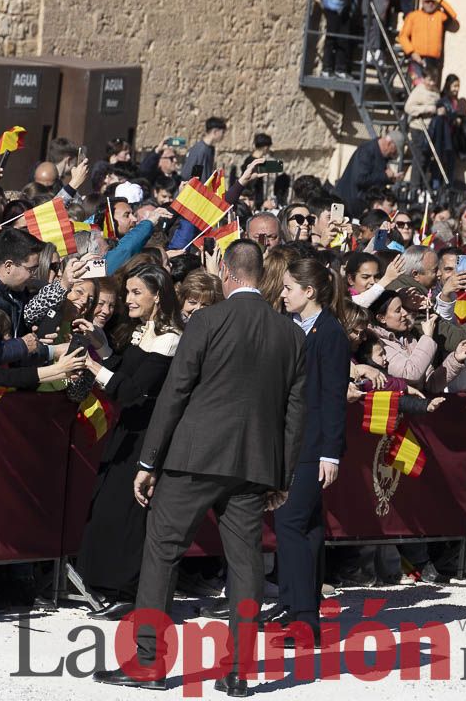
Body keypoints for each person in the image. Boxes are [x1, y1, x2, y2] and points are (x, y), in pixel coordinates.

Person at [94, 240, 306, 695]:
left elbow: (176, 392)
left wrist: (149, 459)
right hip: (254, 465)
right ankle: (240, 671)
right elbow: (295, 411)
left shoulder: (207, 319)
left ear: (228, 274)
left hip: (193, 457)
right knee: (246, 563)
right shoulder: (290, 333)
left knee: (162, 551)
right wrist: (283, 476)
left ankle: (148, 663)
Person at [76, 265, 182, 620]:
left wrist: (93, 368)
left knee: (129, 513)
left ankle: (129, 590)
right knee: (108, 505)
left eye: (137, 293)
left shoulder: (170, 339)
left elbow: (136, 392)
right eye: (128, 292)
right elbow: (128, 369)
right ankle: (107, 585)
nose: (128, 300)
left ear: (157, 297)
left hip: (146, 437)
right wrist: (103, 346)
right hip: (127, 432)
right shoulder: (143, 330)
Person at [267, 258, 347, 647]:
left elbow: (332, 397)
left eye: (287, 288)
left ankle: (303, 619)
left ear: (309, 291)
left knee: (290, 524)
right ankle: (300, 610)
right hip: (293, 441)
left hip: (313, 446)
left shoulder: (329, 332)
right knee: (310, 528)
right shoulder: (296, 327)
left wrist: (330, 453)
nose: (282, 294)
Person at [334, 131, 401, 218]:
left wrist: (390, 179)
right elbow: (360, 179)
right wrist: (385, 176)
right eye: (393, 152)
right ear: (388, 144)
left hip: (359, 206)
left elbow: (375, 179)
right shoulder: (367, 151)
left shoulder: (381, 155)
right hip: (347, 204)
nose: (393, 156)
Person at [397, 0, 459, 78]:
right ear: (422, 2)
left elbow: (453, 15)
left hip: (434, 60)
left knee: (431, 87)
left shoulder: (440, 16)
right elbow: (403, 36)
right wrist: (412, 52)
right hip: (417, 58)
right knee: (417, 86)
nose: (430, 4)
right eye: (427, 1)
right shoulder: (413, 16)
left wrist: (440, 0)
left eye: (433, 2)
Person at [181, 116, 226, 182]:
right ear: (215, 131)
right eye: (223, 132)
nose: (223, 135)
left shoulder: (210, 149)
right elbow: (190, 175)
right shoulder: (201, 150)